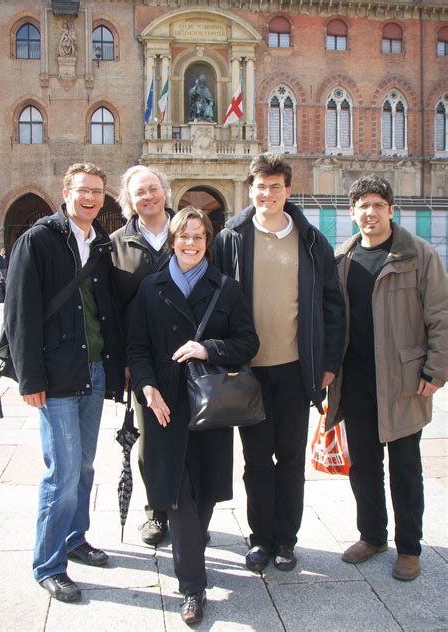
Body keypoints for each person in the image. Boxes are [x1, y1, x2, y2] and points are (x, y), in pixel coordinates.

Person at [213, 152, 345, 573]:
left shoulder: (310, 239)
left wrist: (328, 362)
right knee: (255, 460)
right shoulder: (230, 237)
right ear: (250, 189)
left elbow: (332, 304)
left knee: (288, 459)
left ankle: (286, 539)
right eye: (260, 186)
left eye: (275, 187)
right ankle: (259, 539)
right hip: (248, 371)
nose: (267, 194)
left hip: (295, 369)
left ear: (288, 190)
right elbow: (214, 303)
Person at [127, 207, 259, 624]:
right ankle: (192, 588)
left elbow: (247, 342)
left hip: (209, 402)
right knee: (179, 496)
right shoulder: (151, 287)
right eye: (183, 236)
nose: (190, 244)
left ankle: (193, 544)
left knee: (203, 493)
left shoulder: (227, 288)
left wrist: (208, 349)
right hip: (164, 402)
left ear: (208, 241)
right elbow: (137, 347)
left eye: (198, 237)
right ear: (173, 241)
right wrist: (146, 388)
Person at [4, 163, 124, 602]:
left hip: (91, 369)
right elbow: (20, 312)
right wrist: (29, 377)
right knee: (63, 470)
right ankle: (48, 563)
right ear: (66, 192)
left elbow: (105, 309)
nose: (90, 198)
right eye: (83, 190)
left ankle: (75, 539)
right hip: (54, 376)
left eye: (97, 191)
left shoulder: (101, 243)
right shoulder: (38, 239)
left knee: (86, 465)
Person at [326, 175, 448, 581]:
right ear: (352, 212)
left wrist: (436, 369)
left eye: (378, 204)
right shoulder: (343, 258)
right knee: (363, 465)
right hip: (357, 381)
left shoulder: (418, 254)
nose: (370, 212)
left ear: (391, 210)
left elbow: (440, 316)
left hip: (404, 380)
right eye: (363, 205)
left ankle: (409, 548)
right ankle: (372, 535)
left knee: (406, 468)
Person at [111, 165, 174, 546]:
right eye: (139, 192)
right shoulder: (116, 243)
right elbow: (112, 307)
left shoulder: (187, 230)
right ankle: (157, 514)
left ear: (165, 192)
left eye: (153, 189)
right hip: (143, 357)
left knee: (192, 434)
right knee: (151, 441)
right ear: (129, 201)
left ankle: (192, 511)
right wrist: (123, 362)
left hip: (187, 354)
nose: (148, 197)